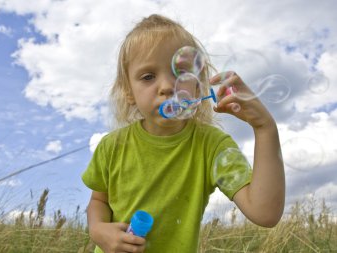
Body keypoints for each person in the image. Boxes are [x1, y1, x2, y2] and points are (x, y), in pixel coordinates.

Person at [82, 14, 285, 253]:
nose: (167, 86)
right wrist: (97, 230)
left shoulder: (210, 145)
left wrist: (265, 129)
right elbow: (99, 201)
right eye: (148, 76)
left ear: (198, 86)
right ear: (129, 91)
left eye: (180, 73)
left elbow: (265, 213)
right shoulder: (112, 146)